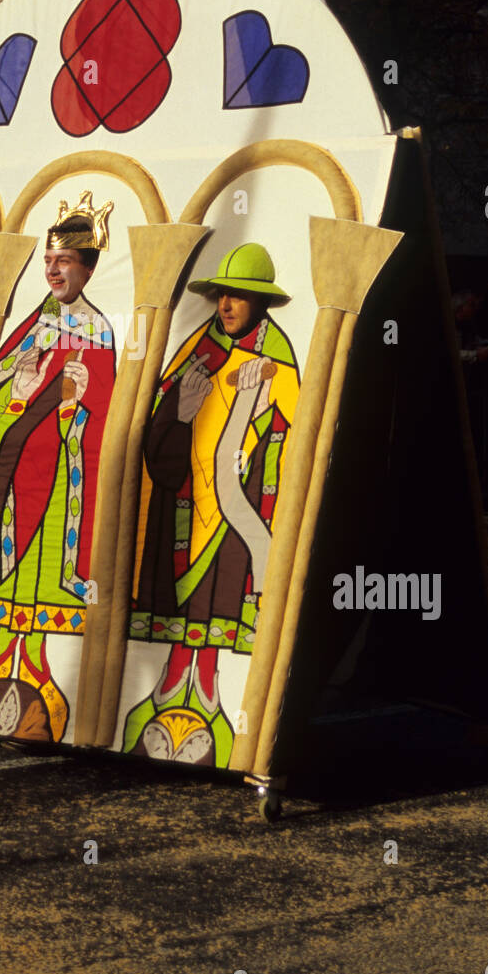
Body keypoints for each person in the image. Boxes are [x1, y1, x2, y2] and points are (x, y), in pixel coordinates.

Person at [123, 243, 300, 768]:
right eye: (222, 294)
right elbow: (158, 438)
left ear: (260, 303)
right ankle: (162, 699)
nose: (226, 305)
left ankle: (211, 705)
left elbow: (298, 433)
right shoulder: (196, 353)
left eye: (238, 296)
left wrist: (262, 419)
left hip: (238, 510)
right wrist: (181, 412)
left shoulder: (280, 359)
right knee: (179, 612)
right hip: (179, 504)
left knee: (217, 606)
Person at [0, 191, 116, 744]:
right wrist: (15, 396)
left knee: (43, 590)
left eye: (64, 260)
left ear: (89, 267)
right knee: (6, 591)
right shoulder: (32, 325)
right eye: (48, 260)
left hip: (56, 492)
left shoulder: (99, 332)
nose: (52, 268)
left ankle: (47, 683)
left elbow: (103, 417)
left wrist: (72, 408)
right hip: (11, 481)